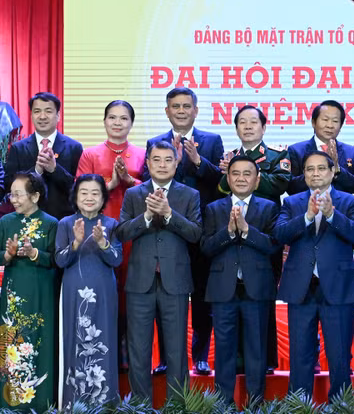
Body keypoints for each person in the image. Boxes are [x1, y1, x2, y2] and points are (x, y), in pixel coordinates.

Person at [142, 87, 223, 376]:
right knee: (165, 297)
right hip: (165, 231)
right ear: (167, 111)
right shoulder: (155, 142)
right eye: (174, 106)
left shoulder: (211, 141)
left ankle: (200, 357)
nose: (180, 110)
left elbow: (220, 183)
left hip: (199, 230)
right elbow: (145, 181)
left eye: (186, 106)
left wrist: (197, 161)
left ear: (195, 110)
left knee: (202, 297)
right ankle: (166, 358)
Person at [117, 141, 202, 401]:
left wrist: (168, 215)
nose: (163, 164)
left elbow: (195, 234)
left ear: (177, 165)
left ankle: (177, 405)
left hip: (174, 282)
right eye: (157, 159)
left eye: (168, 160)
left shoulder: (189, 195)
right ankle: (141, 405)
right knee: (139, 351)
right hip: (139, 283)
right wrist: (144, 217)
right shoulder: (134, 194)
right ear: (148, 163)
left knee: (176, 350)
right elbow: (121, 232)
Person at [275, 151, 354, 400]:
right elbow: (280, 234)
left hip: (337, 288)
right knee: (300, 354)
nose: (315, 173)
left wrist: (331, 214)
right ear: (303, 174)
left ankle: (341, 405)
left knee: (339, 356)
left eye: (320, 168)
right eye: (309, 169)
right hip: (301, 287)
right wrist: (308, 216)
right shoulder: (292, 203)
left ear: (333, 171)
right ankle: (299, 404)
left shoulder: (349, 201)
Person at [201, 155, 279, 404]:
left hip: (256, 290)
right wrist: (229, 232)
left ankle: (256, 405)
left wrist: (246, 230)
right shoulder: (214, 208)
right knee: (224, 352)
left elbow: (273, 245)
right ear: (228, 178)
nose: (241, 178)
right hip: (224, 291)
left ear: (257, 181)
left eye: (248, 174)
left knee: (256, 352)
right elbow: (205, 247)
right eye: (235, 173)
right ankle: (223, 406)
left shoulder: (269, 208)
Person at [218, 105, 290, 373]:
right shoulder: (228, 157)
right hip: (233, 232)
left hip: (264, 232)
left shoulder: (277, 154)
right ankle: (237, 359)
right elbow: (222, 187)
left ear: (264, 126)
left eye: (253, 122)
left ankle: (266, 359)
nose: (248, 127)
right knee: (232, 297)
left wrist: (247, 174)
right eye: (242, 123)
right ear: (236, 128)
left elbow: (280, 184)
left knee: (263, 296)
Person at [75, 100, 146, 372]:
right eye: (112, 118)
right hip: (99, 231)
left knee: (131, 291)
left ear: (131, 123)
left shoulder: (142, 153)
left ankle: (129, 356)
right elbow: (79, 191)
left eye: (124, 118)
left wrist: (129, 181)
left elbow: (151, 187)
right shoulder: (90, 154)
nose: (118, 123)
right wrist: (111, 185)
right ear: (104, 121)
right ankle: (102, 353)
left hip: (131, 232)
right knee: (103, 290)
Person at [56, 174, 123, 407]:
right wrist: (75, 242)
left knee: (103, 340)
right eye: (83, 192)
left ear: (103, 197)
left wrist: (103, 242)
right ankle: (74, 404)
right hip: (73, 292)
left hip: (104, 292)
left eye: (95, 193)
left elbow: (116, 260)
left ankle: (104, 405)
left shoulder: (112, 225)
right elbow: (60, 260)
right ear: (75, 196)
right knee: (74, 340)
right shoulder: (65, 224)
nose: (89, 197)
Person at [0, 172, 58, 410]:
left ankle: (41, 404)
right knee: (12, 344)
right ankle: (11, 405)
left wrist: (35, 253)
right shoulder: (5, 222)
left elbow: (57, 259)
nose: (13, 199)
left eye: (18, 194)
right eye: (11, 194)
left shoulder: (51, 223)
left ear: (35, 196)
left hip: (42, 293)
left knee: (40, 342)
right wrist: (7, 255)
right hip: (13, 293)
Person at [4, 92, 83, 219]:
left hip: (62, 220)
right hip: (26, 219)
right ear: (31, 115)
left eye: (48, 111)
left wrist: (54, 170)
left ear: (58, 115)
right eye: (37, 111)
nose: (42, 116)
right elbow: (9, 186)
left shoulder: (74, 147)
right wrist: (36, 171)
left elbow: (78, 189)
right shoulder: (17, 148)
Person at [287, 100, 354, 197]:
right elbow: (290, 188)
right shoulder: (296, 151)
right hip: (306, 208)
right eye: (325, 120)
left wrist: (338, 170)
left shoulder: (352, 152)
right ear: (313, 122)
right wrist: (318, 170)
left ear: (341, 126)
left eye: (335, 121)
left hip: (341, 209)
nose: (330, 125)